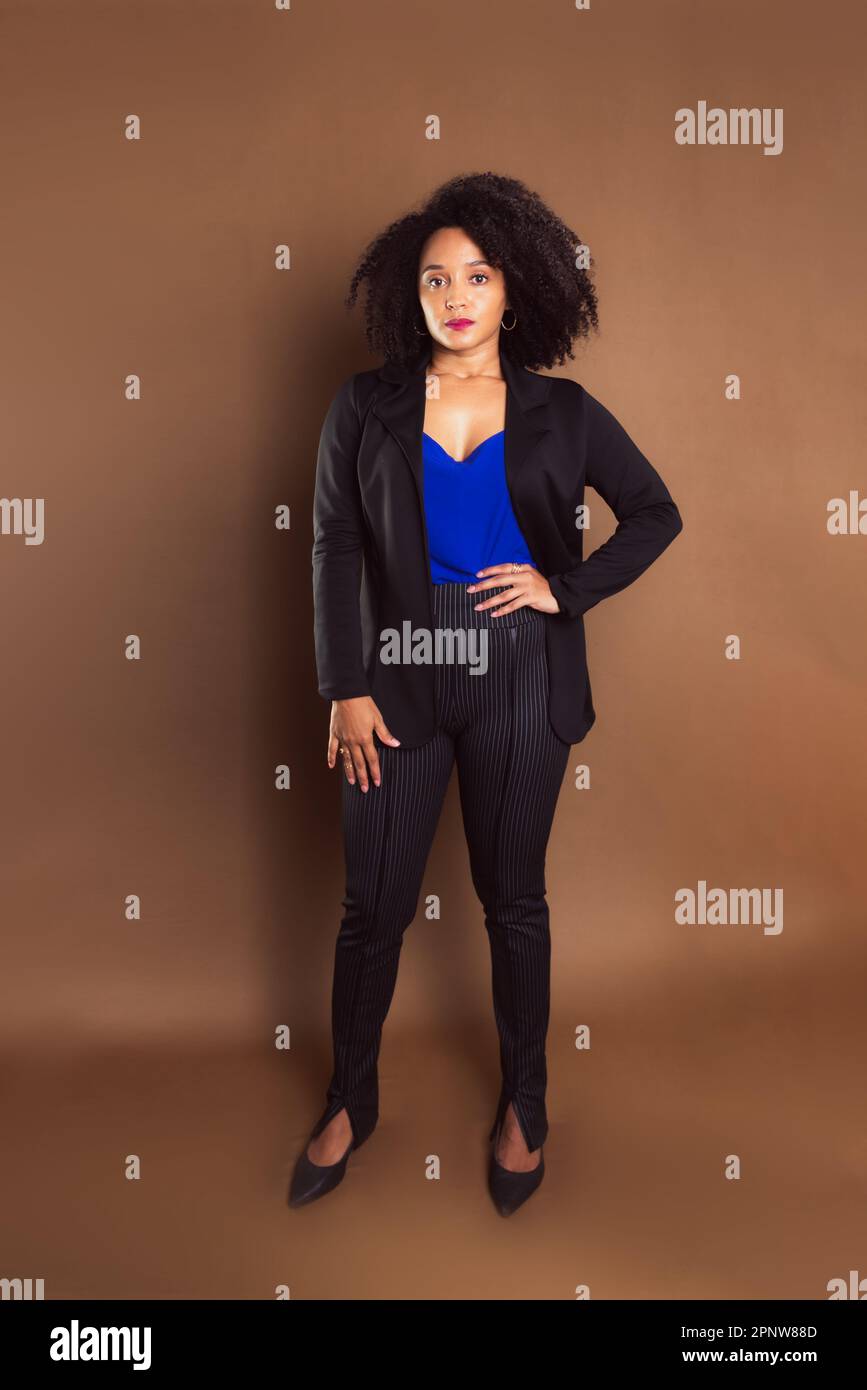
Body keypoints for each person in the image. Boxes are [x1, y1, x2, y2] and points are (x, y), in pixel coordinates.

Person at [289, 172, 683, 1215]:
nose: (456, 295)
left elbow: (654, 513)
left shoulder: (564, 411)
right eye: (433, 279)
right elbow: (332, 546)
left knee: (513, 902)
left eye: (478, 274)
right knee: (372, 908)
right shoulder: (363, 407)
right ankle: (349, 1100)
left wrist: (565, 588)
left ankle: (526, 1105)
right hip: (396, 672)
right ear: (406, 298)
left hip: (521, 669)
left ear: (517, 289)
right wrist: (344, 686)